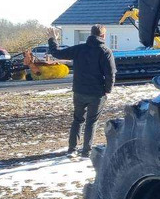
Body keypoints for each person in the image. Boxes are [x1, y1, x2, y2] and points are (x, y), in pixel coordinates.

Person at [48, 24, 117, 158]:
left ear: (90, 34)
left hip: (79, 91)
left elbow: (57, 53)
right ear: (103, 35)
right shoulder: (105, 51)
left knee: (78, 120)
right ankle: (86, 151)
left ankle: (72, 149)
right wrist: (108, 90)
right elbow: (110, 74)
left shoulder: (79, 49)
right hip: (97, 93)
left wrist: (52, 39)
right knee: (91, 122)